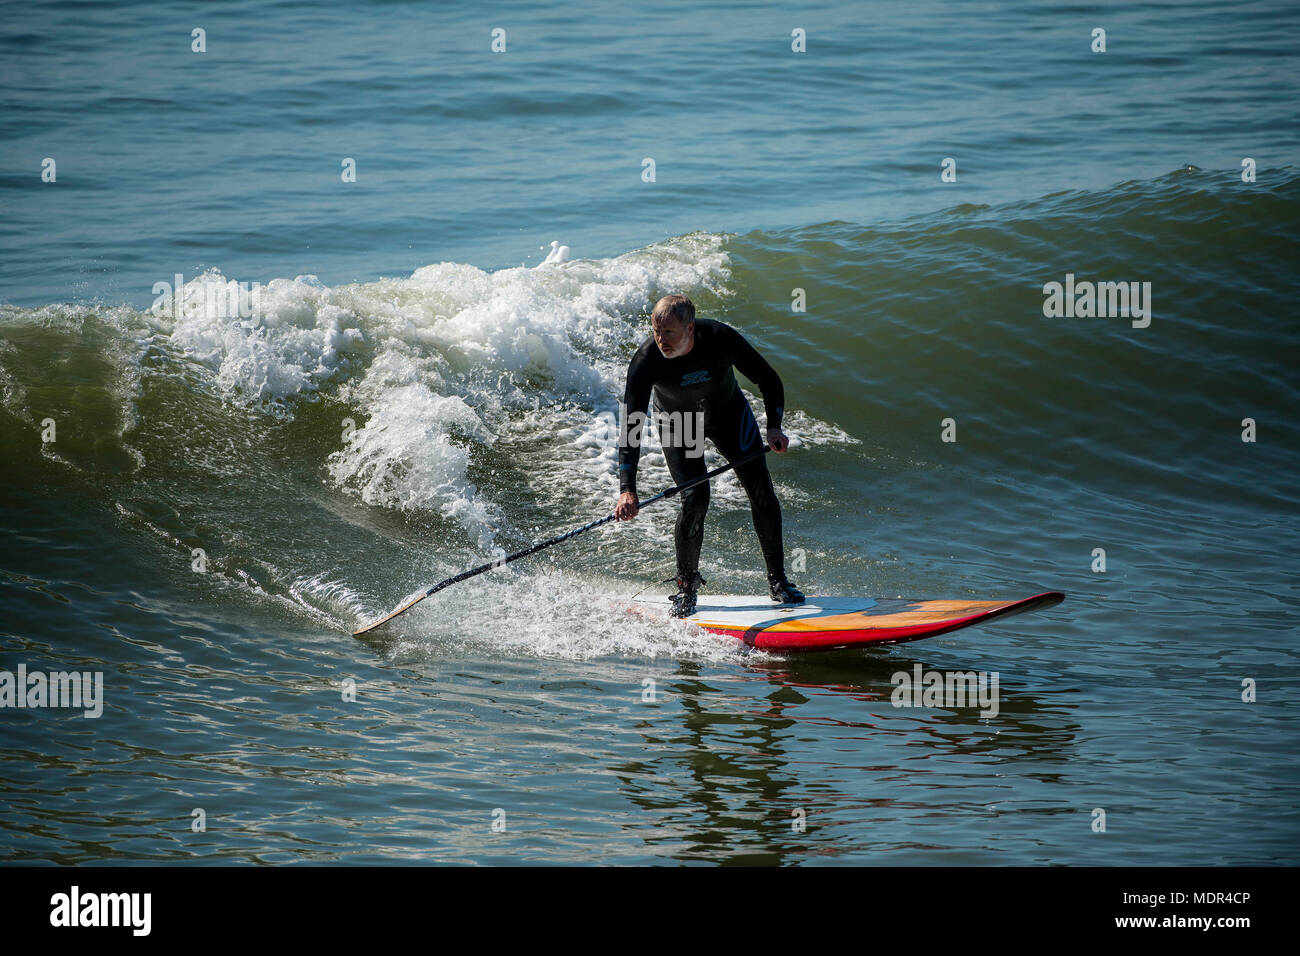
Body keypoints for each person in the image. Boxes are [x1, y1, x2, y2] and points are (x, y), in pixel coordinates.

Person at [615, 294, 804, 617]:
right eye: (656, 331)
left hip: (728, 414)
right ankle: (686, 589)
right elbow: (632, 424)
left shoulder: (720, 338)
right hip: (680, 424)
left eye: (669, 333)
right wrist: (627, 488)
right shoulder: (647, 360)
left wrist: (774, 427)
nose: (661, 340)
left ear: (690, 328)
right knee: (696, 498)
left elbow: (767, 378)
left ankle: (778, 581)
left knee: (762, 494)